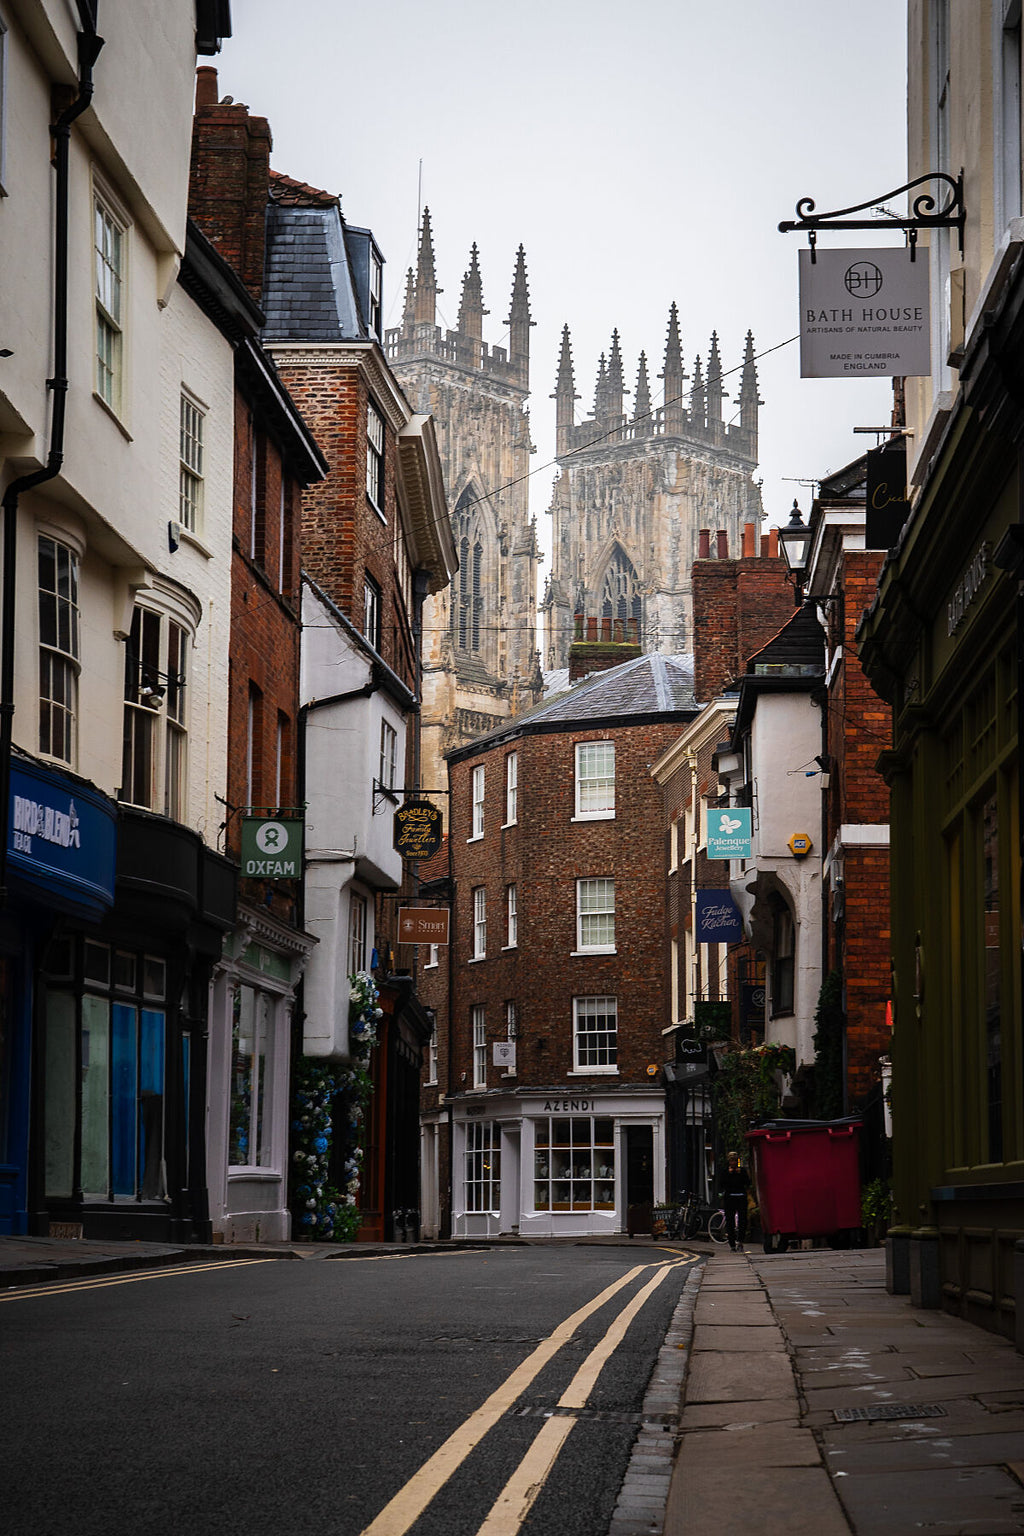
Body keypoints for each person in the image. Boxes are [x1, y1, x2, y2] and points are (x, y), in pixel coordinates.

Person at [720, 1150, 751, 1250]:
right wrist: (729, 1174)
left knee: (743, 1221)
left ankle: (740, 1241)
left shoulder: (742, 1171)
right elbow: (722, 1184)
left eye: (735, 1160)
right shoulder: (725, 1171)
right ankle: (732, 1244)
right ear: (729, 1161)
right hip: (730, 1199)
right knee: (730, 1222)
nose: (733, 1163)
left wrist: (740, 1174)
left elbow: (748, 1183)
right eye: (731, 1160)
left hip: (741, 1198)